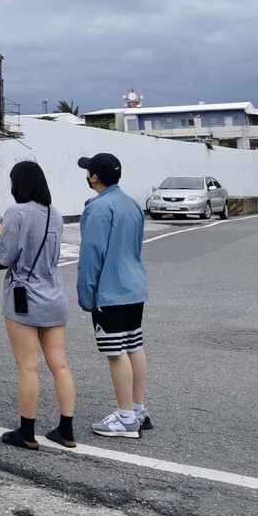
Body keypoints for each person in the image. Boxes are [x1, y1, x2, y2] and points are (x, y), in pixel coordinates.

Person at [0, 161, 77, 449]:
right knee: (60, 364)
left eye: (12, 181)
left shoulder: (17, 212)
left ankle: (26, 432)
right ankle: (66, 430)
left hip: (23, 297)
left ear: (20, 184)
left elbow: (3, 258)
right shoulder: (56, 214)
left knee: (28, 367)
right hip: (54, 295)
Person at [76, 152, 150, 439]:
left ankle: (125, 417)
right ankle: (138, 410)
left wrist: (86, 296)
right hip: (134, 286)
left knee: (115, 353)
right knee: (134, 346)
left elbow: (92, 255)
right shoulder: (131, 204)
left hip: (110, 291)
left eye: (88, 171)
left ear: (94, 177)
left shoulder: (98, 208)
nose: (87, 174)